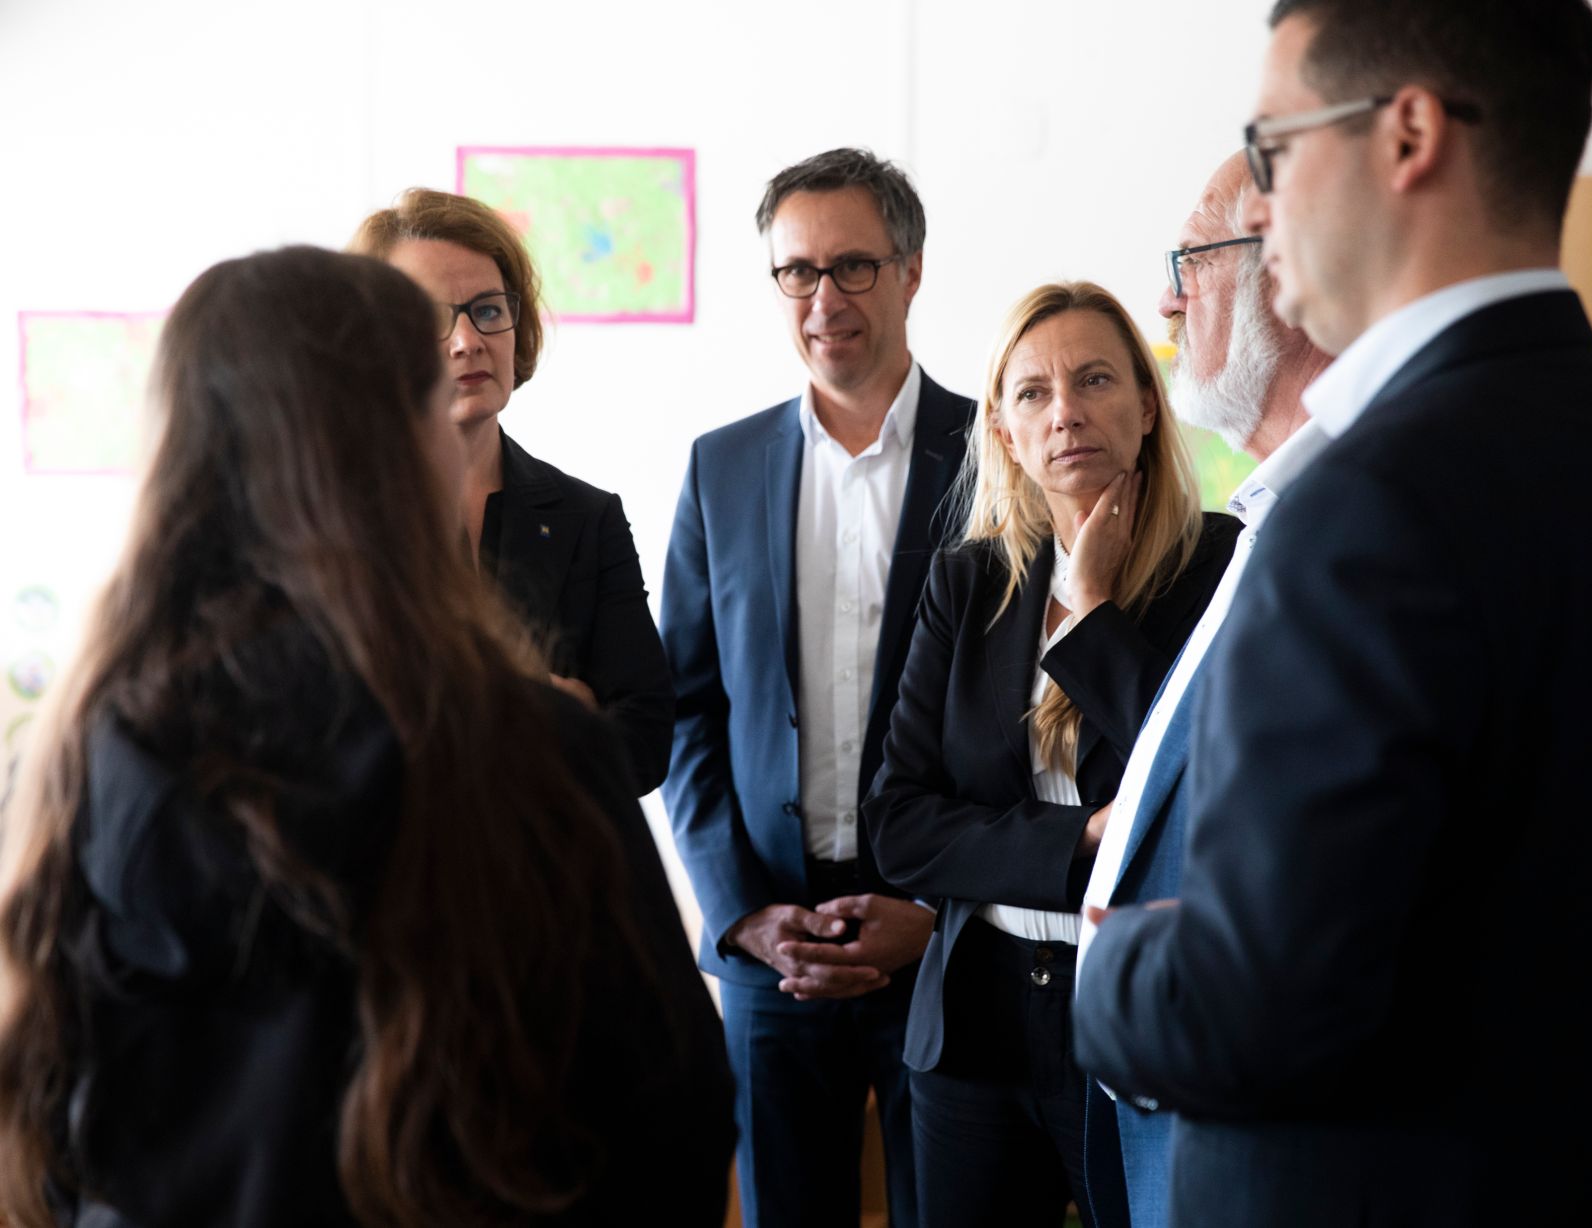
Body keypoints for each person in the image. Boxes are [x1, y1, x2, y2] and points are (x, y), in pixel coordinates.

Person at [1073, 2, 1592, 1225]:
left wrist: (1106, 957)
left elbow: (1252, 1002)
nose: (1265, 205)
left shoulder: (1360, 504)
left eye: (1271, 149)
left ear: (1406, 135)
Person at [0, 247, 733, 1228]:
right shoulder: (535, 749)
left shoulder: (77, 750)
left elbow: (52, 1114)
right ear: (400, 443)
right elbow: (669, 1121)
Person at [864, 281, 1239, 1228]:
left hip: (1139, 1016)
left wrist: (1097, 609)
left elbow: (1200, 787)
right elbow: (899, 825)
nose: (1065, 411)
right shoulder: (968, 581)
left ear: (1149, 407)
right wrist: (1082, 839)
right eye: (1032, 392)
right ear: (1002, 426)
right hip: (974, 1029)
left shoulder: (1225, 566)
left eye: (1096, 379)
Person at [660, 148, 973, 1228]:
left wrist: (937, 910)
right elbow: (688, 711)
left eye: (852, 266)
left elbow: (1032, 717)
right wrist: (740, 912)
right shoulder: (719, 467)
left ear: (910, 271)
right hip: (770, 950)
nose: (824, 298)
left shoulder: (993, 454)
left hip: (942, 941)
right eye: (797, 272)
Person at [1071, 153, 1329, 1228]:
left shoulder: (1339, 530)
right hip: (1177, 1115)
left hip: (1254, 1132)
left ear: (1286, 274)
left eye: (1190, 260)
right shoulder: (1276, 516)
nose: (1167, 299)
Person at [350, 189, 674, 794]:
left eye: (488, 310)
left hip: (552, 879)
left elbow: (647, 741)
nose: (467, 340)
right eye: (429, 316)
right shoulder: (342, 522)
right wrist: (562, 708)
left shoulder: (587, 516)